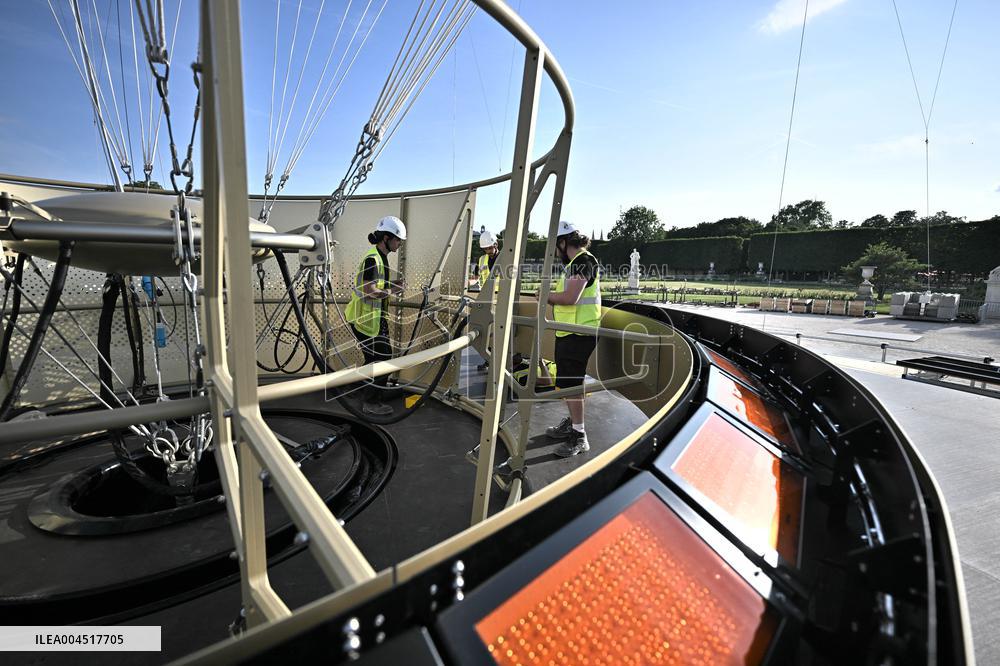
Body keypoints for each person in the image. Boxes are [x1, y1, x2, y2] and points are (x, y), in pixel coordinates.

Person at [544, 220, 601, 457]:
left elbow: (570, 298)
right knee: (569, 384)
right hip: (571, 331)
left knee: (573, 384)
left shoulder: (583, 262)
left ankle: (580, 436)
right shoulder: (578, 263)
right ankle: (573, 423)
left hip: (580, 333)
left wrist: (545, 296)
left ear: (562, 242)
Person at [345, 216, 406, 416]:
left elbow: (377, 286)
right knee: (383, 359)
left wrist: (393, 285)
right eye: (398, 240)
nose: (399, 243)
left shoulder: (380, 256)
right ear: (386, 238)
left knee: (374, 358)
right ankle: (371, 402)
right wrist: (393, 290)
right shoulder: (373, 259)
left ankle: (359, 391)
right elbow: (371, 291)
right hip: (365, 320)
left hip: (372, 320)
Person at [474, 230, 500, 372]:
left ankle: (496, 361)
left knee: (497, 332)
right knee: (487, 331)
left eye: (490, 248)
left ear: (496, 244)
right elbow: (479, 277)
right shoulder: (482, 260)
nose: (488, 251)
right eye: (485, 249)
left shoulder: (505, 258)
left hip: (501, 299)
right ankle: (487, 359)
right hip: (486, 299)